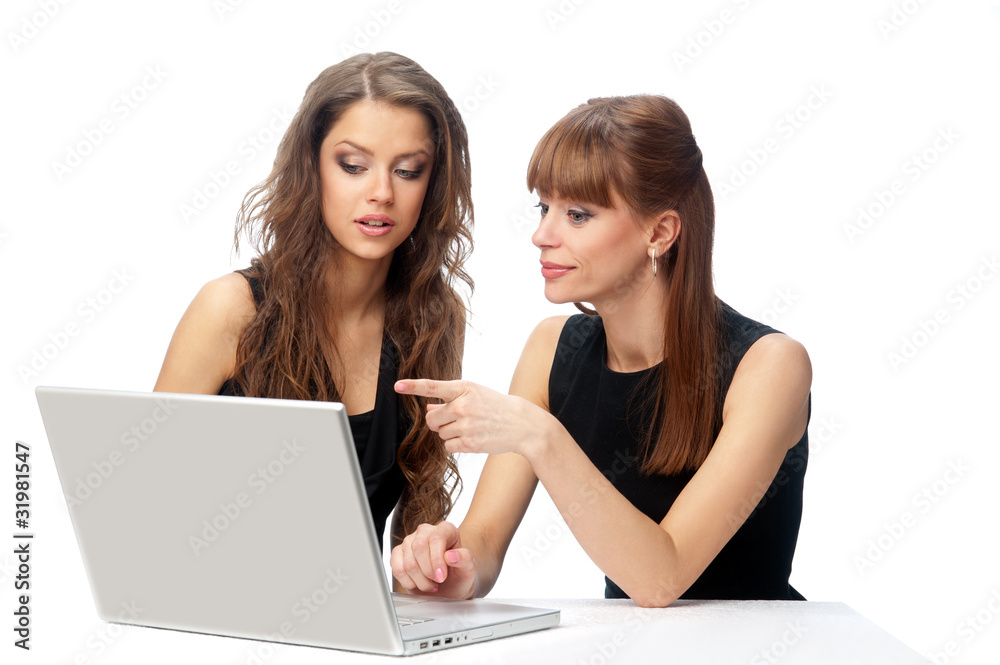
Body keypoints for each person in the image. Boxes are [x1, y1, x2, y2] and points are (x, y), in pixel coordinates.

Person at [390, 94, 811, 607]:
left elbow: (662, 577)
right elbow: (484, 548)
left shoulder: (769, 365)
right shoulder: (551, 349)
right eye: (544, 208)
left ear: (659, 232)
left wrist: (539, 434)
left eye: (579, 215)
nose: (541, 235)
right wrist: (451, 565)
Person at [154, 52, 473, 551]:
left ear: (432, 185)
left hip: (361, 624)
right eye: (353, 166)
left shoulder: (435, 319)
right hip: (220, 618)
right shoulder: (231, 309)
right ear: (312, 166)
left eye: (409, 171)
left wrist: (434, 574)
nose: (382, 193)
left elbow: (416, 526)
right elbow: (145, 506)